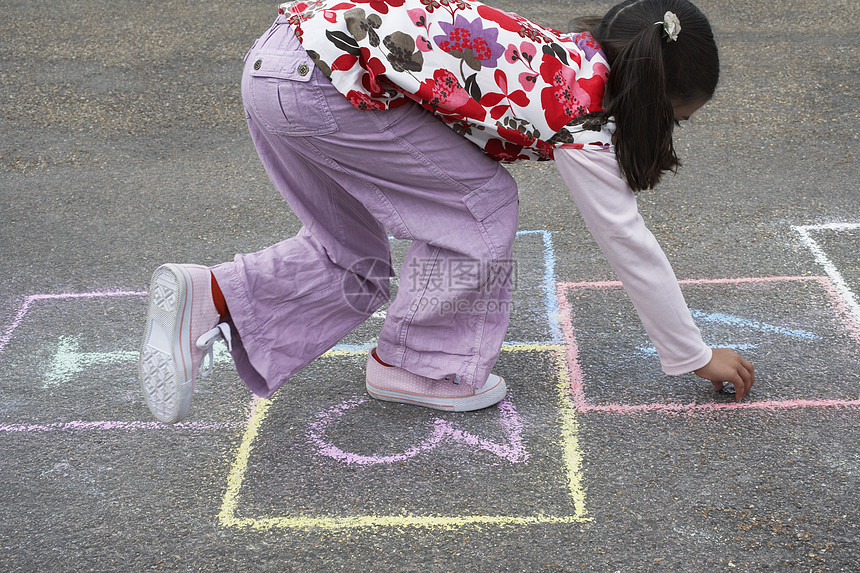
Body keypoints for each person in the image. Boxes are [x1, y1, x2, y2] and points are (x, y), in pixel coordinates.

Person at [138, 0, 755, 424]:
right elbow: (627, 241)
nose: (673, 132)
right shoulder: (579, 116)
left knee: (352, 258)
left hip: (282, 63)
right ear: (651, 97)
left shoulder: (565, 57)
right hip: (324, 87)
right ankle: (420, 367)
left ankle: (211, 294)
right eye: (677, 120)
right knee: (480, 204)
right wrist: (692, 353)